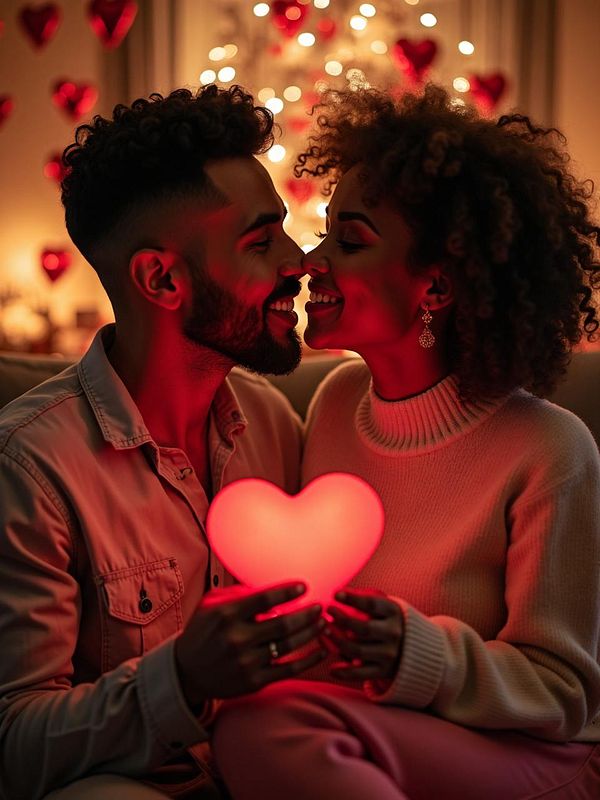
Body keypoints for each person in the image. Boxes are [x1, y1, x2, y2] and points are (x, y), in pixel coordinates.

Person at [212, 85, 600, 798]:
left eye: (351, 241)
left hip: (530, 756)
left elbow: (564, 690)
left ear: (438, 288)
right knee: (249, 720)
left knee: (266, 727)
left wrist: (420, 656)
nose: (312, 261)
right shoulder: (335, 406)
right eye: (327, 233)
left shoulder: (549, 448)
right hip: (374, 736)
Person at [0, 85, 326, 800]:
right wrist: (181, 680)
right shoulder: (29, 468)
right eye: (261, 242)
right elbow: (11, 743)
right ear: (162, 278)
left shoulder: (272, 425)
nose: (299, 261)